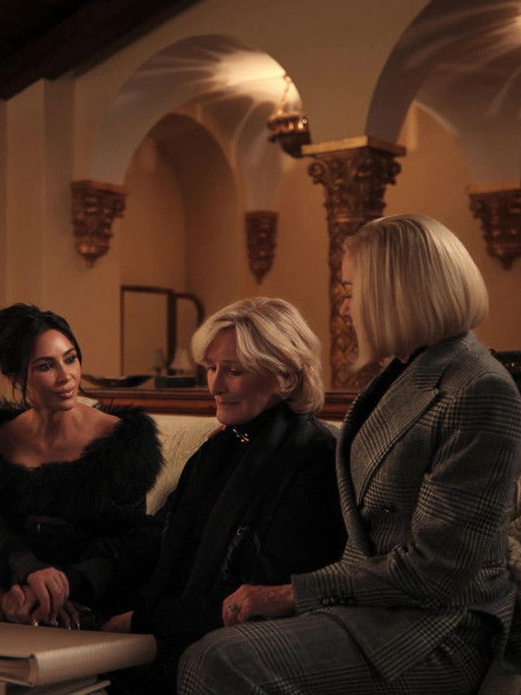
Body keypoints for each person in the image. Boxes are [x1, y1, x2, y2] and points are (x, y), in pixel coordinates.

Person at [177, 214, 521, 695]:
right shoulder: (402, 374)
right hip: (371, 609)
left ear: (397, 293)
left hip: (438, 628)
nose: (344, 309)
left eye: (351, 291)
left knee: (219, 659)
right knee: (204, 645)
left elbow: (441, 571)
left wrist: (294, 593)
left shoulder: (480, 389)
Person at [101, 297, 346, 694]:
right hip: (173, 626)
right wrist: (78, 583)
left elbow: (261, 597)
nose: (215, 386)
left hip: (237, 647)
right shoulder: (220, 447)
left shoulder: (314, 460)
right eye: (211, 367)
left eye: (234, 371)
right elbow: (157, 539)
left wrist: (142, 620)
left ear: (284, 374)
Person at [0, 303, 163, 626]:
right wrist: (21, 586)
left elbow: (129, 546)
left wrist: (65, 587)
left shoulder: (122, 442)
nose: (66, 377)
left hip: (94, 590)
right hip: (11, 583)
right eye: (46, 366)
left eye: (70, 359)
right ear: (14, 376)